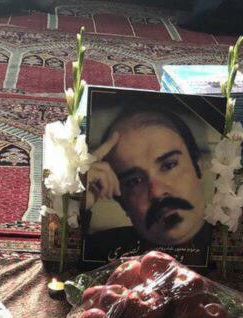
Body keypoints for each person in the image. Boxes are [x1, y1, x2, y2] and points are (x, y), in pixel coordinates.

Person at [84, 106, 212, 260]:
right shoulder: (97, 250)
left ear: (198, 165)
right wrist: (80, 199)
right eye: (135, 181)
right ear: (122, 201)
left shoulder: (227, 245)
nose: (156, 192)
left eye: (169, 165)